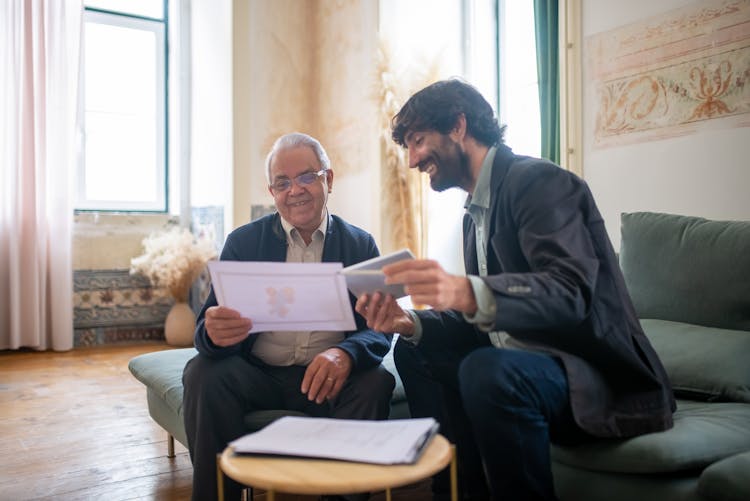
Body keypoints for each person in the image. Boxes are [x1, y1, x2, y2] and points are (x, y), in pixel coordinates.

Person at [355, 79, 675, 500]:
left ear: (457, 125)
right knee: (415, 350)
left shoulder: (538, 183)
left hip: (591, 375)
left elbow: (570, 291)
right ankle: (460, 493)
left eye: (417, 141)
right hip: (523, 369)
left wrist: (467, 291)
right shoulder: (474, 216)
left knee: (488, 370)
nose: (412, 160)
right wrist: (409, 322)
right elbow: (485, 326)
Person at [183, 132, 395, 501]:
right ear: (272, 192)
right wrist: (213, 334)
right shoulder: (243, 243)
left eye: (306, 177)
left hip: (329, 377)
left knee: (375, 381)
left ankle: (345, 495)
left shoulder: (360, 244)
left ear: (328, 179)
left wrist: (345, 354)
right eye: (283, 182)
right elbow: (205, 328)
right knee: (202, 372)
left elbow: (378, 330)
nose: (295, 190)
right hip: (258, 375)